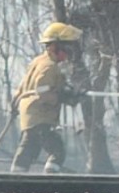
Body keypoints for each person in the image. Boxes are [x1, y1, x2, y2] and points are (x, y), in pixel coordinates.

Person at [10, 22, 85, 173]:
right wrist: (62, 97)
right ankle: (49, 179)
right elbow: (43, 92)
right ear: (53, 46)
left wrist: (65, 92)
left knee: (28, 151)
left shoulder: (38, 61)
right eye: (66, 48)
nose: (68, 53)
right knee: (57, 151)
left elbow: (24, 88)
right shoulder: (50, 66)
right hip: (41, 117)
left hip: (30, 116)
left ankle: (15, 179)